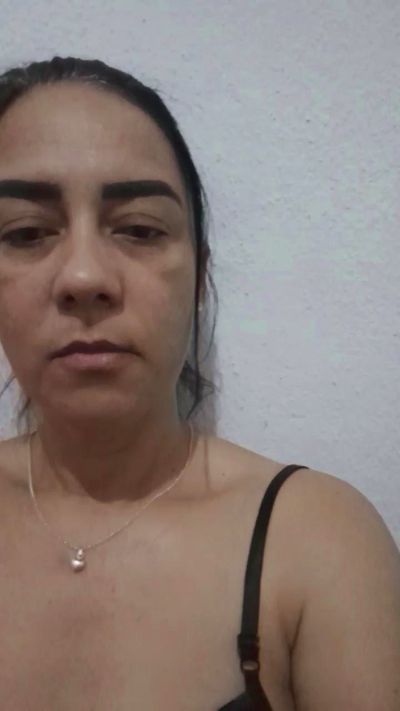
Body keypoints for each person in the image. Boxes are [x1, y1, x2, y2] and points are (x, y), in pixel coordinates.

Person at [0, 56, 398, 711]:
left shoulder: (319, 542)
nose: (83, 277)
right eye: (26, 232)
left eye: (139, 229)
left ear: (199, 276)